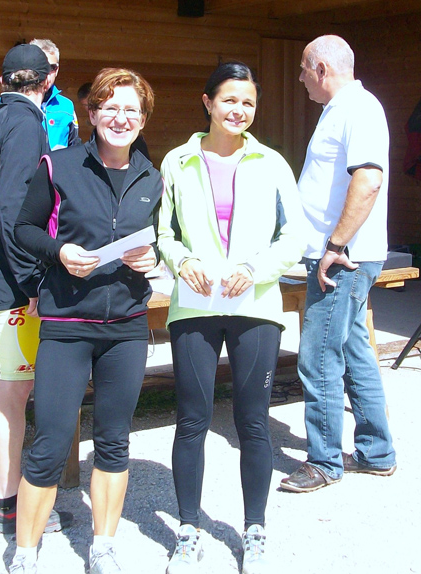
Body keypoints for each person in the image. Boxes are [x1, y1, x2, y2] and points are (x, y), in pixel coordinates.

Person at [9, 69, 162, 574]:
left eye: (132, 110)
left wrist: (154, 258)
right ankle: (25, 554)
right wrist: (59, 251)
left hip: (126, 326)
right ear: (92, 114)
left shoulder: (151, 176)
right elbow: (23, 228)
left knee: (114, 441)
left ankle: (103, 547)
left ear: (143, 120)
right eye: (110, 108)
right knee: (51, 443)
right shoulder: (59, 165)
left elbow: (162, 239)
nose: (121, 118)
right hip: (67, 322)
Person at [157, 61, 305, 574]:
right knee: (192, 419)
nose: (238, 110)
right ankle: (188, 530)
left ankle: (255, 530)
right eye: (229, 100)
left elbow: (295, 235)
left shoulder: (272, 162)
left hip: (254, 306)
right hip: (194, 306)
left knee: (253, 421)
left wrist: (255, 269)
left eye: (248, 102)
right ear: (207, 102)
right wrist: (183, 262)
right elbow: (164, 232)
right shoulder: (177, 161)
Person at [279, 34, 397, 494]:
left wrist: (336, 244)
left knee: (318, 357)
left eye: (303, 69)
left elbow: (368, 180)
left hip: (342, 259)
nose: (301, 78)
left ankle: (324, 462)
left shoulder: (358, 109)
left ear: (322, 69)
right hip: (343, 255)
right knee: (354, 350)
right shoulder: (342, 109)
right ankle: (376, 452)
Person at [0, 44, 71, 535]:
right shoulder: (27, 124)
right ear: (46, 80)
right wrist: (32, 277)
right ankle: (11, 506)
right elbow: (13, 208)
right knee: (13, 392)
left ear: (4, 79)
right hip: (13, 278)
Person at [0, 38, 80, 151]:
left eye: (52, 68)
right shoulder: (1, 105)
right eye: (42, 67)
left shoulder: (66, 106)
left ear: (57, 70)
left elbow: (75, 147)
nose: (46, 73)